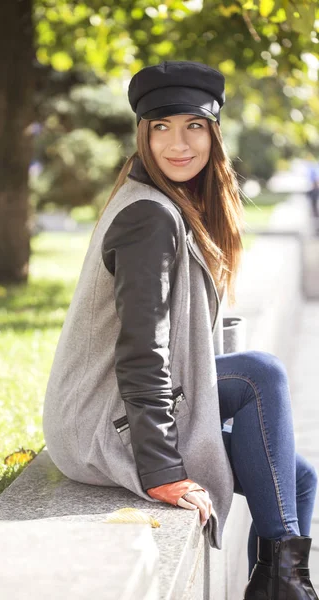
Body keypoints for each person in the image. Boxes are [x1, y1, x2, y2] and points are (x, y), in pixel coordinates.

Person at [43, 60, 318, 599]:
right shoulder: (150, 217)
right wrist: (162, 470)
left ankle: (279, 582)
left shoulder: (168, 201)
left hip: (112, 405)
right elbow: (143, 350)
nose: (178, 144)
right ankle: (285, 587)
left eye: (193, 126)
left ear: (213, 133)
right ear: (143, 134)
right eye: (161, 127)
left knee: (298, 478)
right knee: (261, 376)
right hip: (104, 417)